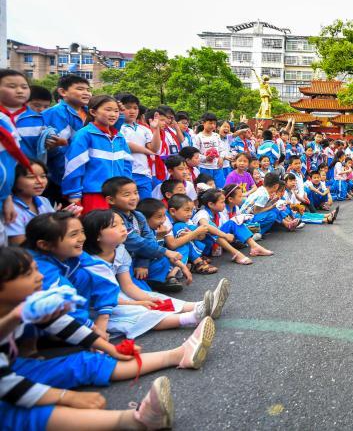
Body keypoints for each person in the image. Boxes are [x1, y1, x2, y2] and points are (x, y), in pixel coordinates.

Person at [0, 246, 184, 430]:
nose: (40, 277)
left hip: (14, 366)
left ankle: (178, 354)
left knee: (84, 361)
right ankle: (135, 421)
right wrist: (67, 397)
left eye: (36, 270)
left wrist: (111, 349)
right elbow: (6, 385)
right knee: (18, 413)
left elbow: (64, 326)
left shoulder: (24, 307)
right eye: (28, 274)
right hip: (5, 380)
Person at [80, 210, 228, 339]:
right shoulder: (92, 263)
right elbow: (104, 298)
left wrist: (149, 299)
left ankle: (201, 305)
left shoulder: (120, 250)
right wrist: (138, 303)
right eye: (114, 226)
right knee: (139, 312)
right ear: (96, 235)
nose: (123, 228)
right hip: (97, 307)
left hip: (116, 296)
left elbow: (128, 285)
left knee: (155, 299)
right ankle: (192, 317)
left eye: (122, 224)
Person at [104, 177, 188, 294]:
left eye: (136, 193)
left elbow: (148, 239)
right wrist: (166, 252)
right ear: (111, 200)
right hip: (122, 262)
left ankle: (153, 281)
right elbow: (133, 241)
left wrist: (142, 262)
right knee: (141, 291)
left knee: (161, 260)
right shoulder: (112, 218)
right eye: (127, 194)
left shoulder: (138, 215)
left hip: (138, 258)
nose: (133, 197)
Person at [62, 95, 133, 212]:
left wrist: (127, 189)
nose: (113, 114)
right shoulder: (84, 135)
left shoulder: (119, 137)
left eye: (116, 111)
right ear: (93, 112)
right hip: (94, 195)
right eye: (108, 110)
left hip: (119, 195)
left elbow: (127, 165)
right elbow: (74, 167)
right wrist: (74, 195)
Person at [42, 75, 91, 202]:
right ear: (63, 92)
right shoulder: (54, 113)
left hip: (86, 175)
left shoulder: (91, 113)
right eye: (80, 89)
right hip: (60, 177)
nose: (86, 93)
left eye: (88, 89)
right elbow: (51, 148)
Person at [118, 93, 161, 200]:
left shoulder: (144, 129)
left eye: (135, 108)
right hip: (126, 173)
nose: (132, 111)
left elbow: (154, 148)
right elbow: (126, 145)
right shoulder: (118, 127)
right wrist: (147, 151)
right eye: (127, 108)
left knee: (145, 207)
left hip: (144, 173)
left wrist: (156, 130)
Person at [194, 113, 227, 188]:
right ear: (203, 123)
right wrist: (206, 158)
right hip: (204, 167)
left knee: (220, 187)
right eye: (210, 123)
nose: (212, 126)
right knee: (206, 188)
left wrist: (221, 158)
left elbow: (222, 149)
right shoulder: (198, 137)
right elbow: (196, 153)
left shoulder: (216, 136)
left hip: (217, 167)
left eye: (214, 123)